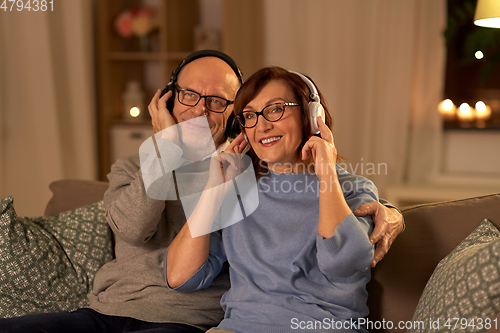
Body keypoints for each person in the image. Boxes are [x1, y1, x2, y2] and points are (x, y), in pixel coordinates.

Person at [0, 51, 402, 332]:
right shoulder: (172, 172)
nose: (198, 111)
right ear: (171, 100)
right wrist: (176, 154)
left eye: (217, 102)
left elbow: (343, 257)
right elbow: (149, 245)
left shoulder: (264, 178)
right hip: (118, 313)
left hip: (192, 322)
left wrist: (362, 193)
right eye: (189, 96)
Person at [165, 66, 382, 333]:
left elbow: (342, 262)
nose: (262, 125)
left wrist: (326, 172)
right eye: (250, 116)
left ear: (312, 117)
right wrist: (213, 190)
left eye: (275, 109)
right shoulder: (236, 191)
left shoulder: (352, 189)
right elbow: (179, 277)